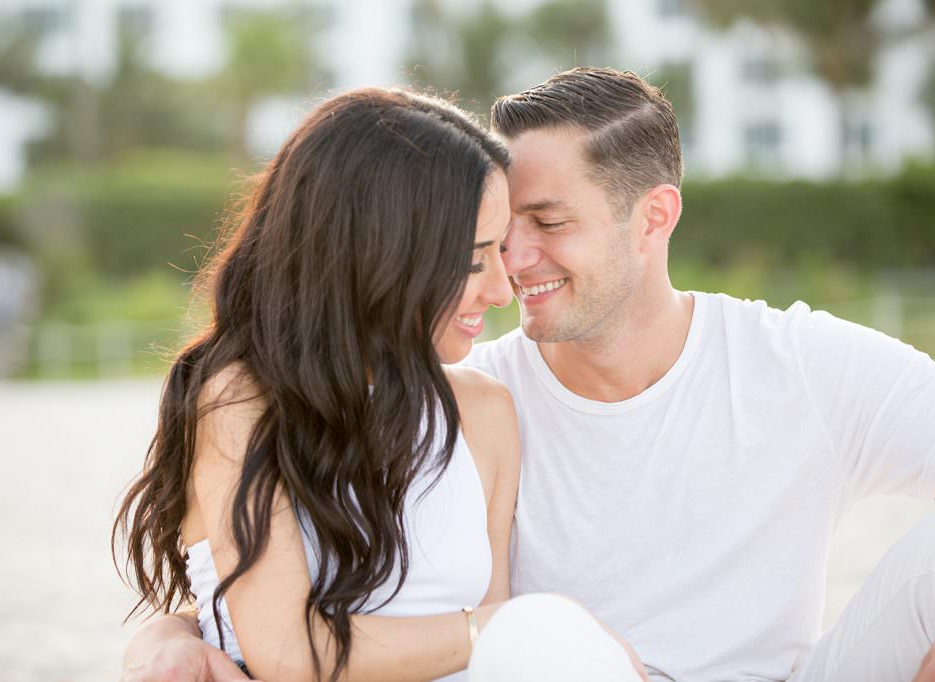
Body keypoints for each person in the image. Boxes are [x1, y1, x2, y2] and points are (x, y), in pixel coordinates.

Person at [123, 68, 935, 682]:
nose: (512, 270)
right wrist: (168, 634)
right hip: (561, 669)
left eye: (547, 222)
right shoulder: (474, 389)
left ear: (654, 217)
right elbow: (288, 584)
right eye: (488, 242)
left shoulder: (798, 365)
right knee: (541, 644)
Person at [113, 87, 647, 682]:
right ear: (378, 253)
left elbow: (485, 654)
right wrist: (520, 626)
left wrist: (524, 633)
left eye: (498, 252)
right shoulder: (241, 405)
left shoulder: (483, 410)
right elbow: (288, 653)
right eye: (472, 260)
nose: (501, 289)